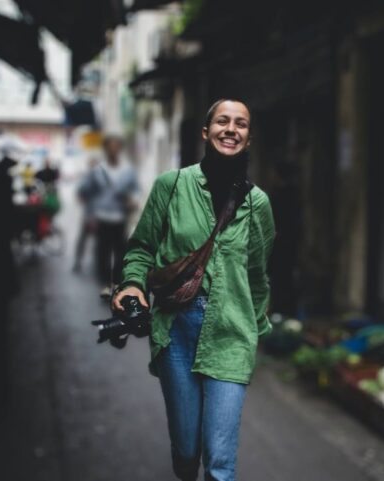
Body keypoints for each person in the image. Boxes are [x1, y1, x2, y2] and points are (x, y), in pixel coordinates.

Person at [113, 99, 275, 481]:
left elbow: (258, 275)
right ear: (206, 132)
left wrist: (254, 330)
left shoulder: (258, 204)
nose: (231, 129)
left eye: (241, 124)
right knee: (187, 450)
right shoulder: (171, 187)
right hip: (176, 330)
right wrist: (133, 284)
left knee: (219, 463)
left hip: (232, 334)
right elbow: (141, 249)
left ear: (248, 138)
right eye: (222, 121)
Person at [77, 135, 140, 297]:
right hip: (102, 218)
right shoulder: (97, 171)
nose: (113, 150)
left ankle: (116, 285)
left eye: (116, 146)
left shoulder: (127, 171)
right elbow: (85, 192)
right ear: (105, 149)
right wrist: (89, 215)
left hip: (120, 218)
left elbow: (136, 189)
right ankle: (105, 285)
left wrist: (133, 200)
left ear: (120, 149)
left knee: (121, 255)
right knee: (102, 255)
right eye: (110, 147)